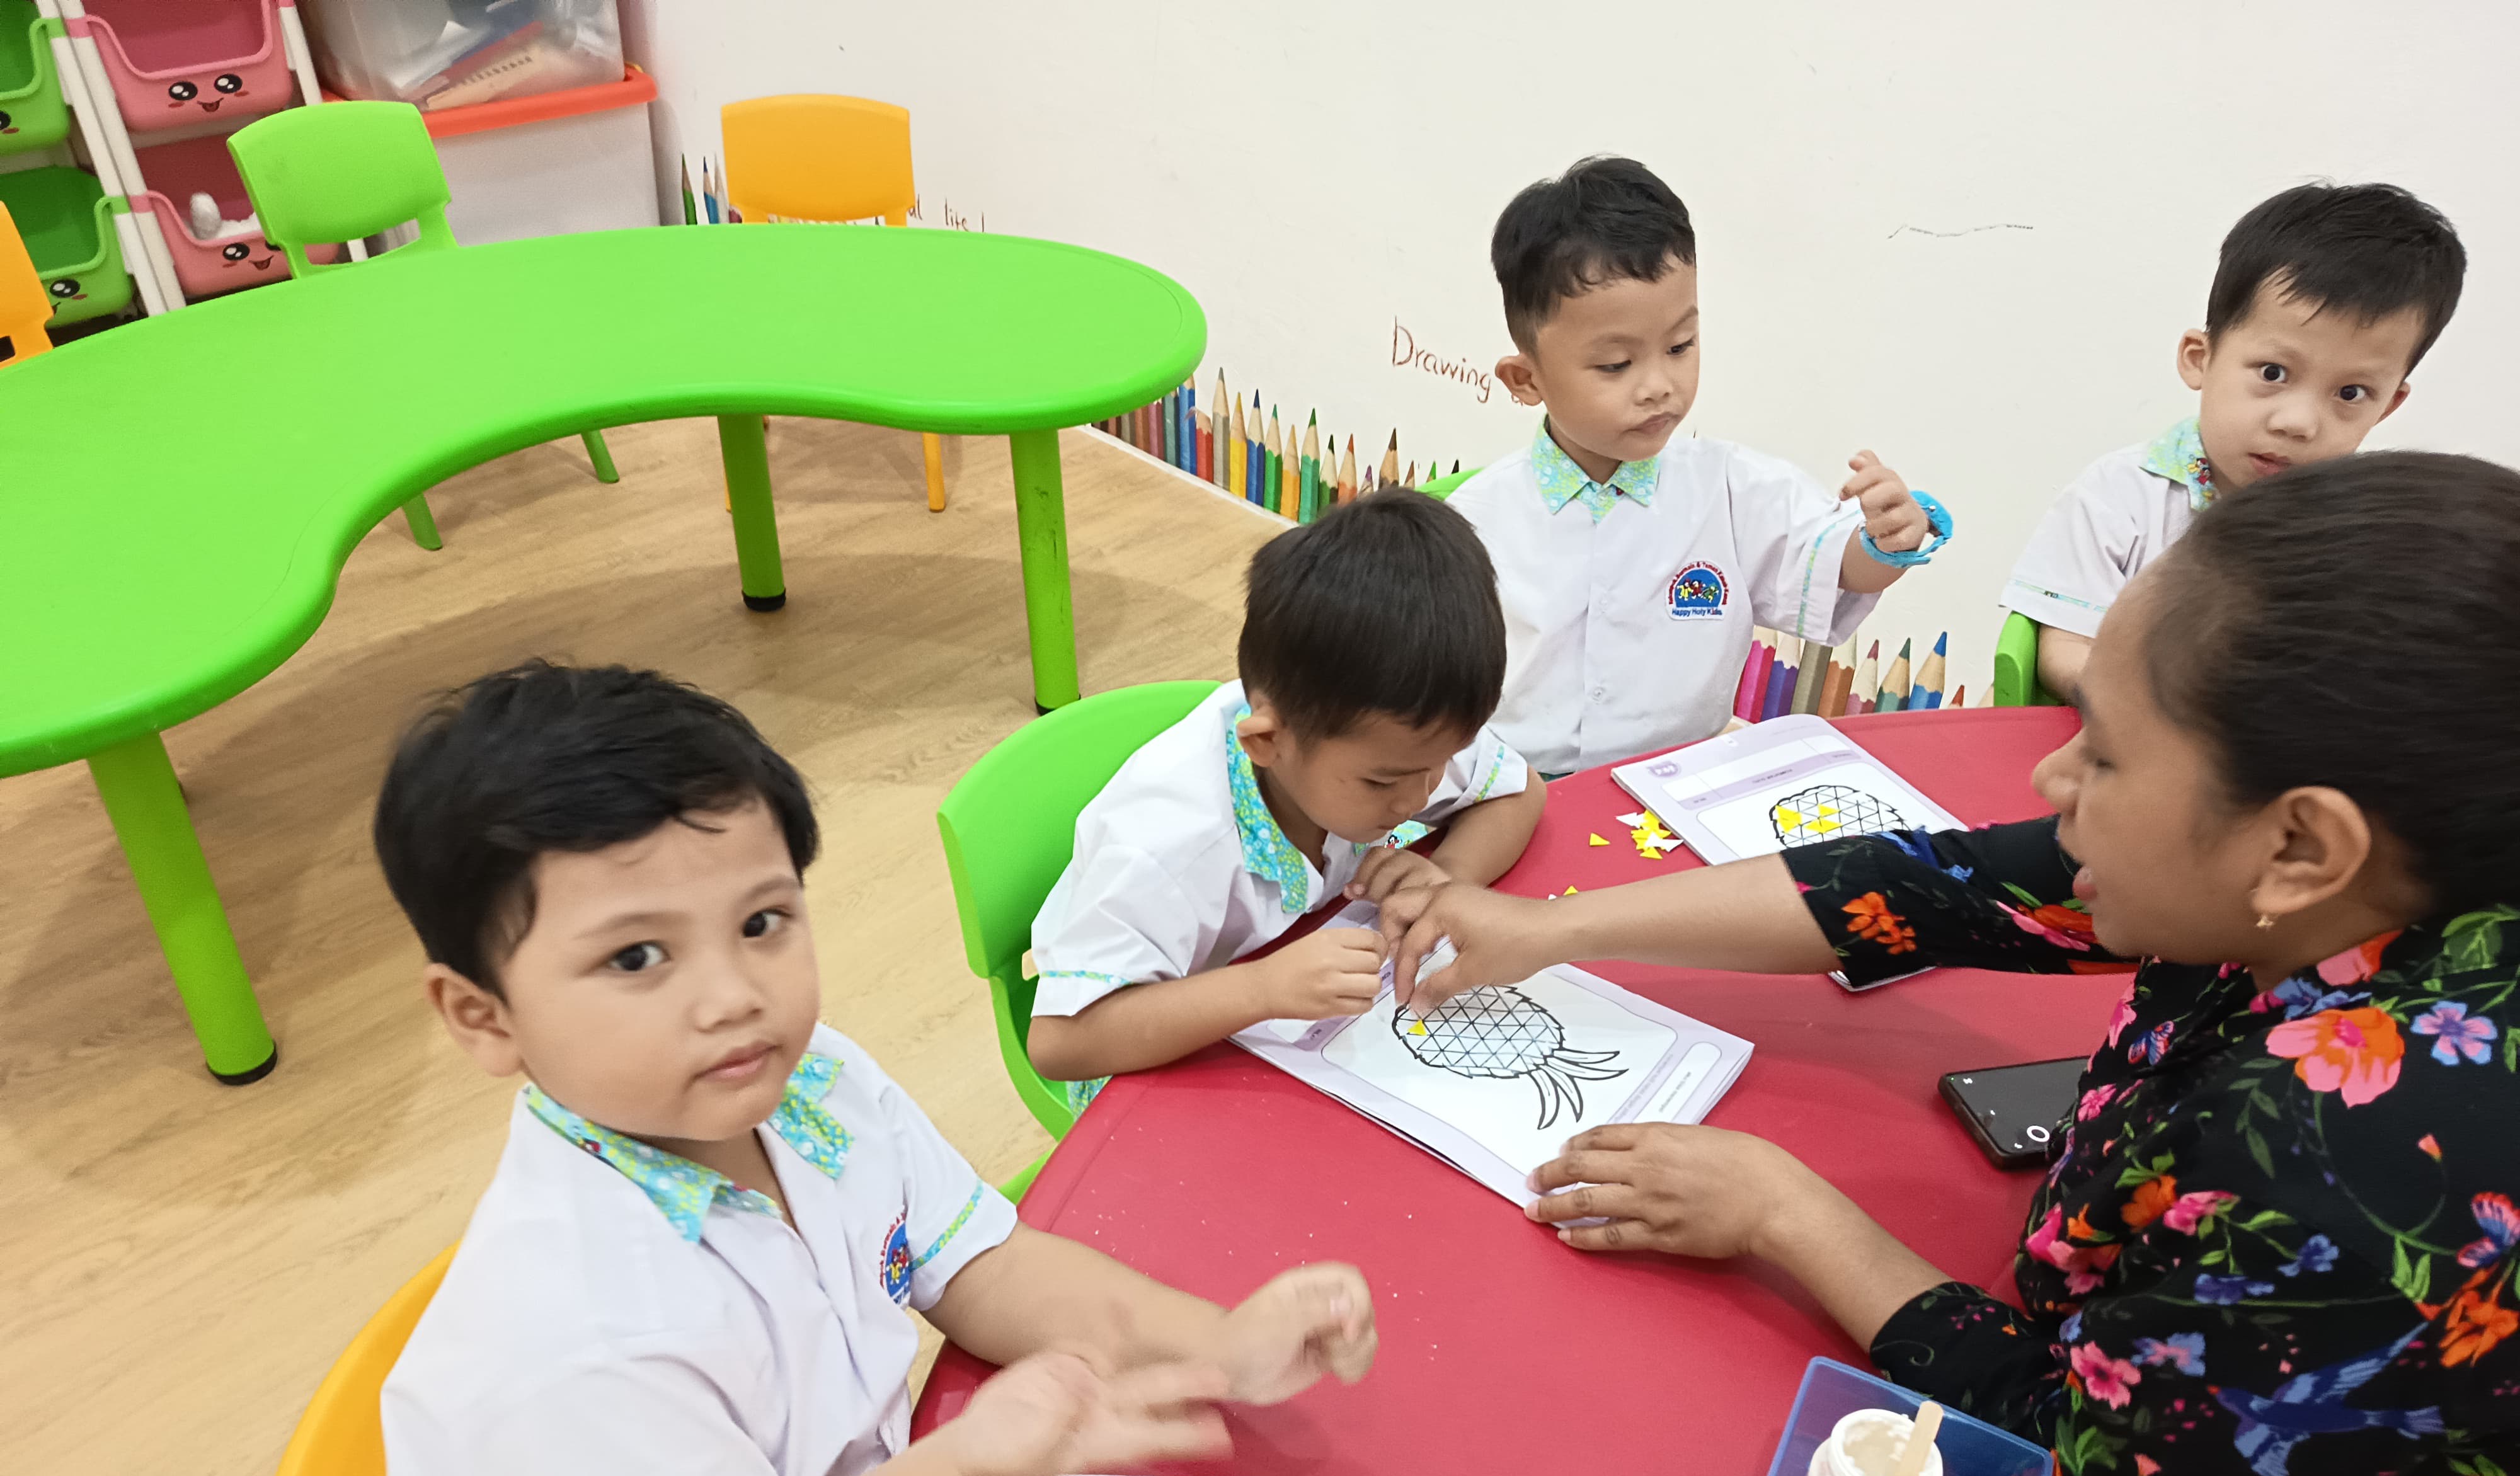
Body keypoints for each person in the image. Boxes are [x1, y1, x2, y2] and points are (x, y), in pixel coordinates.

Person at [1392, 453, 2520, 1476]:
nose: (2054, 780)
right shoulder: (2386, 861)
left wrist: (1786, 1211)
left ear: (2299, 842)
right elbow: (1947, 884)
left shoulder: (2374, 1145)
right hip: (2236, 1428)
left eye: (2102, 755)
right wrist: (1557, 926)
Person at [370, 663, 1381, 1476]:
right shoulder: (573, 1340)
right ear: (484, 1018)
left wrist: (1213, 1345)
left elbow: (984, 1265)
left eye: (761, 922)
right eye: (636, 959)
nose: (732, 996)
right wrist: (963, 1465)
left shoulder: (816, 1091)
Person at [1026, 487, 1545, 1094]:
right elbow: (1061, 1043)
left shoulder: (1394, 735)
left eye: (1442, 764)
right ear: (1266, 743)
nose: (1416, 798)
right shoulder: (1165, 847)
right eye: (1383, 782)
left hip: (1307, 1033)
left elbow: (1520, 791)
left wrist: (1448, 877)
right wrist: (1261, 989)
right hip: (1159, 1067)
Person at [1446, 156, 1939, 777]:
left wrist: (1886, 541)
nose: (1658, 385)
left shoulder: (1731, 490)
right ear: (1526, 379)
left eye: (1680, 347)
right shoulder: (1470, 525)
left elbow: (1836, 567)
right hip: (1504, 794)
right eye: (1615, 365)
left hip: (1681, 789)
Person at [2006, 181, 2465, 703]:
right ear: (2200, 358)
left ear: (2388, 406)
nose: (2299, 423)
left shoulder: (2363, 533)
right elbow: (2063, 646)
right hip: (2112, 747)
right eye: (2273, 372)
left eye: (2351, 392)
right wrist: (2161, 715)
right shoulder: (2120, 498)